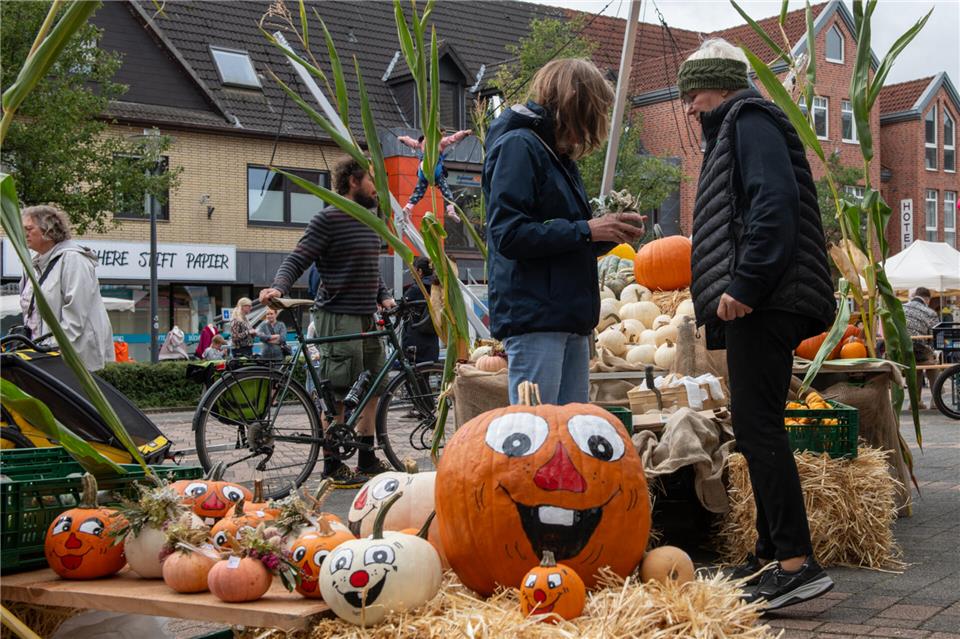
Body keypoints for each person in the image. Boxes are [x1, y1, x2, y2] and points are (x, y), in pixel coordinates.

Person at [678, 39, 836, 610]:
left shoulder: (749, 119)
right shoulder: (736, 126)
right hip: (764, 297)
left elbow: (774, 203)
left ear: (718, 84)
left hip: (765, 298)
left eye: (692, 93)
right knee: (753, 423)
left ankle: (796, 561)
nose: (689, 107)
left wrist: (744, 285)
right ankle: (773, 549)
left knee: (759, 425)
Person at [483, 58, 645, 405]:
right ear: (575, 106)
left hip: (566, 317)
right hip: (536, 318)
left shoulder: (556, 157)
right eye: (592, 115)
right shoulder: (519, 146)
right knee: (538, 438)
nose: (591, 129)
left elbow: (568, 239)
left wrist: (607, 233)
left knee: (569, 435)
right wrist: (588, 230)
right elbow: (509, 234)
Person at [259, 156, 396, 486]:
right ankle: (332, 465)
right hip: (338, 317)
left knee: (373, 388)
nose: (377, 189)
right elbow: (298, 257)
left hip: (366, 316)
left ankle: (366, 458)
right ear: (353, 181)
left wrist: (384, 295)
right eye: (372, 180)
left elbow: (370, 269)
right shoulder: (329, 218)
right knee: (336, 392)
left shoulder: (368, 220)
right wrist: (278, 286)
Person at [18, 205, 114, 371]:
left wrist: (50, 349)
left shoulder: (73, 260)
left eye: (29, 228)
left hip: (76, 361)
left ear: (48, 230)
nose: (24, 233)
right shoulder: (34, 266)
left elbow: (76, 315)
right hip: (46, 358)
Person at [397, 129, 471, 221]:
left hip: (423, 169)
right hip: (435, 168)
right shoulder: (440, 141)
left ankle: (407, 208)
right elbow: (453, 138)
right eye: (443, 134)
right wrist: (464, 133)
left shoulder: (423, 140)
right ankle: (451, 211)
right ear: (439, 134)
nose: (443, 136)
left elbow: (412, 142)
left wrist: (402, 139)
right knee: (445, 190)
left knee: (419, 191)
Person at [904, 286, 940, 402]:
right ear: (928, 299)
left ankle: (915, 402)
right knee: (933, 364)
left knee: (916, 365)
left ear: (914, 296)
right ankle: (936, 401)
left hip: (901, 353)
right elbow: (935, 336)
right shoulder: (930, 313)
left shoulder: (900, 308)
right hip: (919, 351)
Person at [401, 256, 440, 363]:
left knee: (413, 375)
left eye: (413, 270)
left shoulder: (416, 289)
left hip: (414, 340)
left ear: (419, 271)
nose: (411, 273)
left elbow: (401, 308)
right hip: (432, 340)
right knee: (425, 374)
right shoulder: (437, 287)